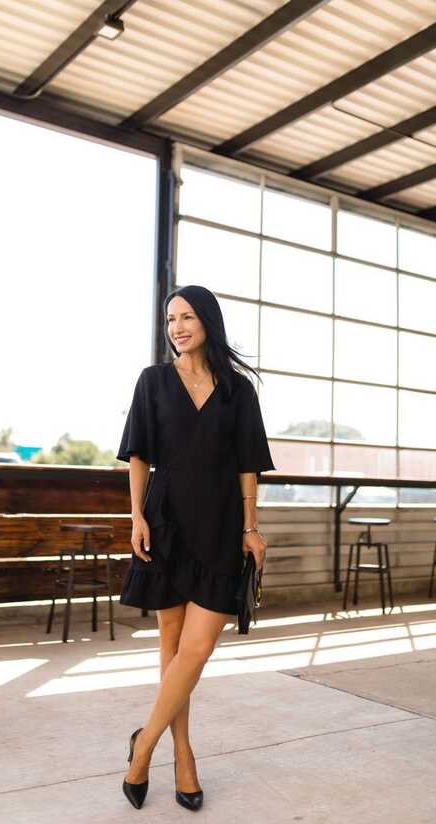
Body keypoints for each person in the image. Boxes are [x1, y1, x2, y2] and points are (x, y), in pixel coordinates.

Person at [116, 284, 276, 811]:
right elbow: (138, 454)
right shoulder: (153, 381)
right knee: (172, 647)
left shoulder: (238, 390)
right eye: (170, 320)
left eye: (186, 317)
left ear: (207, 320)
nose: (177, 327)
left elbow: (247, 463)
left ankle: (143, 749)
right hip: (165, 521)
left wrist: (250, 526)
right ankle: (183, 757)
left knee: (197, 649)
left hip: (220, 525)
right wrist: (137, 515)